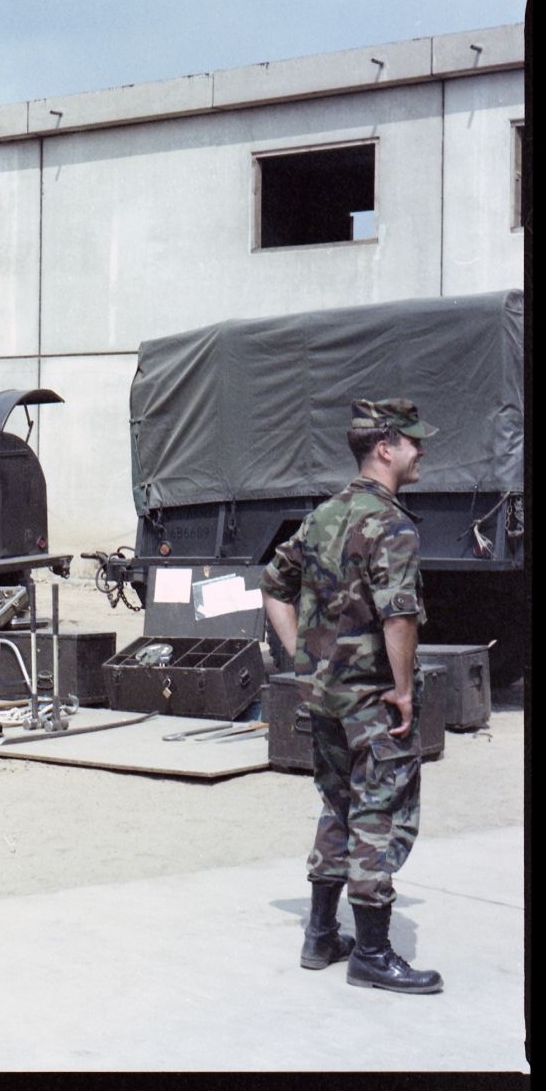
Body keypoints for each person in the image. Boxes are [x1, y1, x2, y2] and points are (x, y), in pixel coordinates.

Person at [260, 397, 442, 995]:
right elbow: (399, 616)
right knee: (377, 814)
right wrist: (406, 691)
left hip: (325, 698)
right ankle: (371, 951)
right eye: (414, 442)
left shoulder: (322, 517)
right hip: (370, 700)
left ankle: (319, 937)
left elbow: (273, 585)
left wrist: (301, 660)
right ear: (385, 448)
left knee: (337, 805)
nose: (421, 450)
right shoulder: (392, 525)